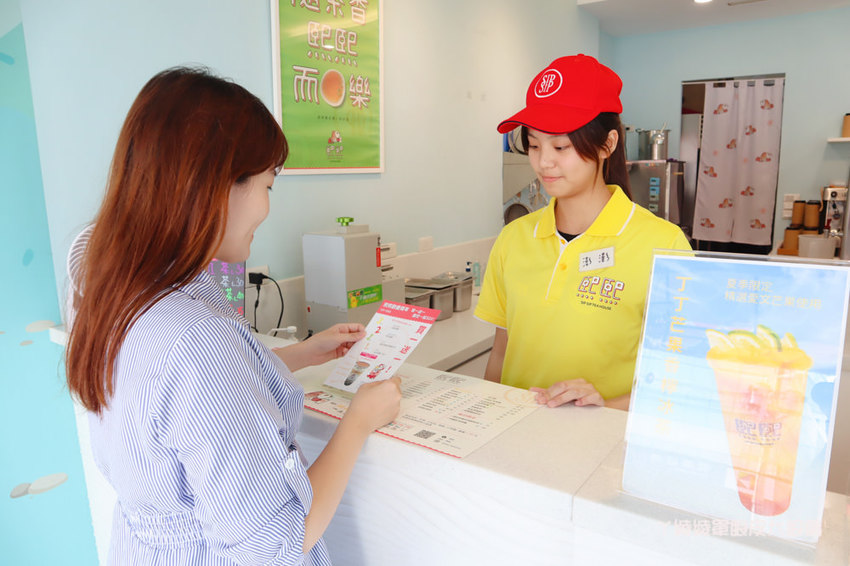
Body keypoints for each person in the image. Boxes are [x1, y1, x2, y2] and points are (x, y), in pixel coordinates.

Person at [64, 67, 401, 565]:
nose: (266, 208)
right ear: (214, 186)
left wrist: (298, 355)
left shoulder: (100, 277)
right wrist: (358, 420)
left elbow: (176, 402)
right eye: (267, 185)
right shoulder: (197, 340)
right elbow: (278, 542)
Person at [475, 54, 691, 411]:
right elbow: (500, 355)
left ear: (608, 144)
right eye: (533, 144)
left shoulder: (664, 245)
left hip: (603, 451)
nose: (544, 162)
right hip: (511, 442)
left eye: (560, 146)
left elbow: (681, 375)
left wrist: (606, 405)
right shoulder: (514, 239)